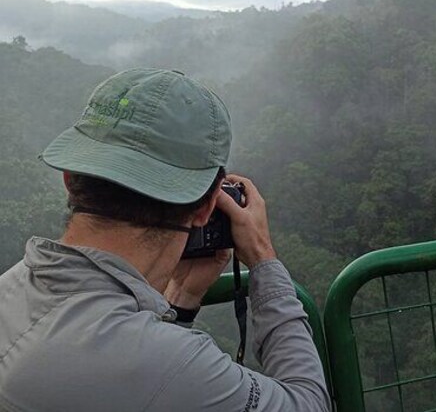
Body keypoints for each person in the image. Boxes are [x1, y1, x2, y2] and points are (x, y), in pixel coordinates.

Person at [0, 68, 331, 411]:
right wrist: (263, 258)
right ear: (206, 206)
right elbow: (308, 404)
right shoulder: (171, 364)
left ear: (69, 179)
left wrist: (181, 302)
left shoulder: (12, 289)